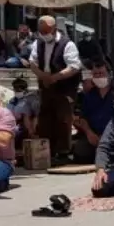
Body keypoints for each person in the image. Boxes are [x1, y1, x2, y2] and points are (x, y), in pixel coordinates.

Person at [24, 15, 83, 162]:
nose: (44, 34)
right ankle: (48, 151)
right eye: (41, 31)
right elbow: (32, 62)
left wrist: (54, 77)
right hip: (46, 86)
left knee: (63, 119)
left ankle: (63, 152)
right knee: (45, 118)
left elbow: (74, 66)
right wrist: (42, 76)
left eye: (46, 31)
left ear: (54, 29)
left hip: (64, 87)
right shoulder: (39, 43)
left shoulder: (67, 44)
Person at [72, 62, 114, 164]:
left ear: (109, 74)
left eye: (101, 73)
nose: (98, 76)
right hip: (93, 136)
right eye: (95, 74)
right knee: (80, 152)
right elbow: (83, 118)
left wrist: (106, 136)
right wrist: (89, 133)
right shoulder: (89, 95)